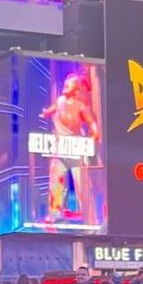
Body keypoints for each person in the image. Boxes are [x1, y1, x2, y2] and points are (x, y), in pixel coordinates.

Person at [40, 73, 101, 224]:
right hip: (60, 150)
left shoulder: (81, 107)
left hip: (76, 151)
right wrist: (45, 113)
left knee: (82, 185)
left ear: (77, 89)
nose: (66, 83)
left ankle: (89, 216)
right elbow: (49, 111)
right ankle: (54, 214)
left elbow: (93, 126)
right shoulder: (60, 101)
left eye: (70, 83)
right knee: (56, 182)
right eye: (66, 82)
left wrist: (93, 137)